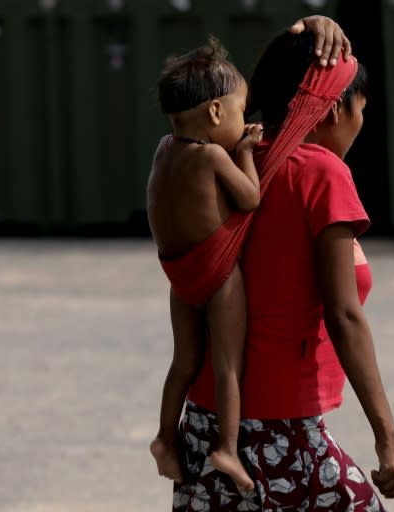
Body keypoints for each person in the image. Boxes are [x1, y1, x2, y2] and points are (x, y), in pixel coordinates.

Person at [170, 20, 394, 512]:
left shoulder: (222, 159)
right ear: (332, 109)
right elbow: (344, 316)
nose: (360, 124)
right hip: (279, 431)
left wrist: (318, 27)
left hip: (205, 423)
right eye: (360, 110)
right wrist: (388, 438)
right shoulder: (321, 173)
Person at [147, 37, 262, 492]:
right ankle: (227, 450)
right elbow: (250, 199)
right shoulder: (214, 155)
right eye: (241, 112)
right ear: (216, 113)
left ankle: (163, 438)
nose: (244, 121)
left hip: (179, 274)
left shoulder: (164, 149)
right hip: (216, 274)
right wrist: (248, 151)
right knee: (227, 365)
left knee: (184, 361)